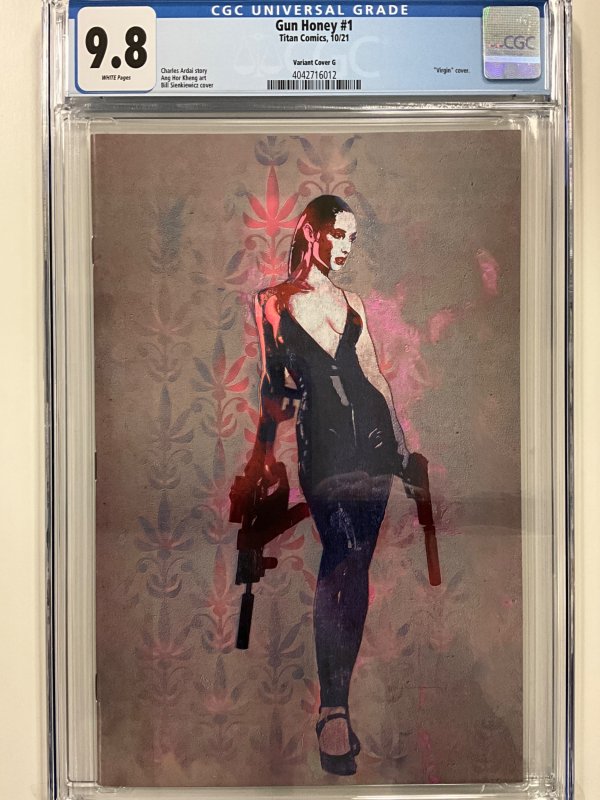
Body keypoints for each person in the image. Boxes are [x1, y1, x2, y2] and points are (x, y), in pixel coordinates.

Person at [244, 195, 410, 776]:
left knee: (357, 563)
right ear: (311, 232)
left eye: (353, 239)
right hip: (324, 446)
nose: (345, 248)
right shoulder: (272, 301)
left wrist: (403, 452)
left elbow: (377, 378)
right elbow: (274, 388)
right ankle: (332, 711)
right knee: (340, 555)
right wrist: (263, 458)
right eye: (338, 235)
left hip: (375, 447)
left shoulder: (353, 303)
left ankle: (337, 705)